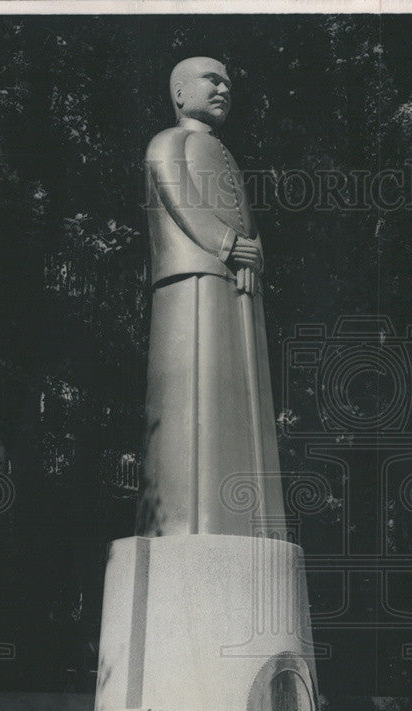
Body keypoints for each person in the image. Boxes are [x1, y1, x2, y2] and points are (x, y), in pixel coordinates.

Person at [138, 56, 285, 537]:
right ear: (180, 93)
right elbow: (180, 198)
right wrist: (228, 247)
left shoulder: (224, 154)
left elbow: (246, 221)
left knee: (243, 398)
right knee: (197, 396)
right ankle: (193, 522)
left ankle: (250, 522)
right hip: (193, 280)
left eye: (228, 81)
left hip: (236, 285)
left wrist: (252, 255)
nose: (224, 88)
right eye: (211, 79)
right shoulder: (169, 141)